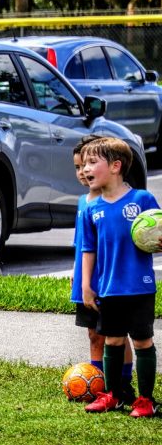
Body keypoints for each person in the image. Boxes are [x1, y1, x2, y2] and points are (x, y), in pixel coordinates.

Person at [80, 136, 159, 417]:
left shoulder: (142, 199)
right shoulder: (93, 208)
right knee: (113, 340)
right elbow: (88, 249)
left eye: (92, 162)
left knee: (141, 341)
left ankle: (146, 400)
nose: (86, 169)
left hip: (139, 288)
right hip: (108, 288)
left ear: (115, 166)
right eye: (84, 163)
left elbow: (157, 231)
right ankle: (114, 395)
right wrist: (86, 286)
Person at [69, 136, 134, 396]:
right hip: (87, 278)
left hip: (110, 279)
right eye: (77, 166)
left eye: (88, 164)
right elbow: (80, 244)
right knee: (94, 333)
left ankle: (123, 382)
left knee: (117, 333)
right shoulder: (83, 203)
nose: (83, 171)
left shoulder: (120, 201)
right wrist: (77, 274)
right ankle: (98, 384)